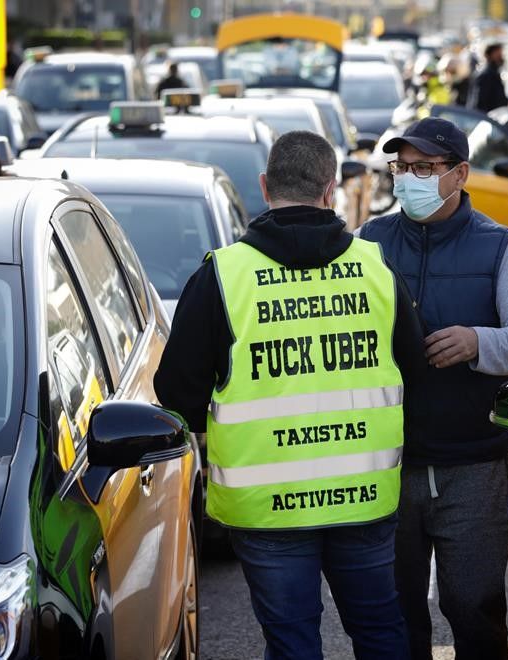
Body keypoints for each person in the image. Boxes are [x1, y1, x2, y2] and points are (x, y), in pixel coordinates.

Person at [154, 130, 425, 660]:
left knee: (292, 641)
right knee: (379, 632)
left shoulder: (224, 277)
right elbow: (413, 370)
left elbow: (176, 394)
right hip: (363, 496)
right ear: (330, 191)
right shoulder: (376, 268)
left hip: (267, 509)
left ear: (264, 186)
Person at [357, 117, 508, 659]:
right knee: (394, 618)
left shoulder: (499, 248)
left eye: (424, 168)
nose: (409, 178)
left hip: (473, 471)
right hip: (387, 467)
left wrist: (477, 342)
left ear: (460, 174)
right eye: (402, 167)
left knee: (475, 610)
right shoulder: (369, 243)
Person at [470, 43, 508, 113]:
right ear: (491, 54)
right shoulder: (486, 75)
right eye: (498, 54)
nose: (501, 57)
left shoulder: (493, 72)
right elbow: (479, 103)